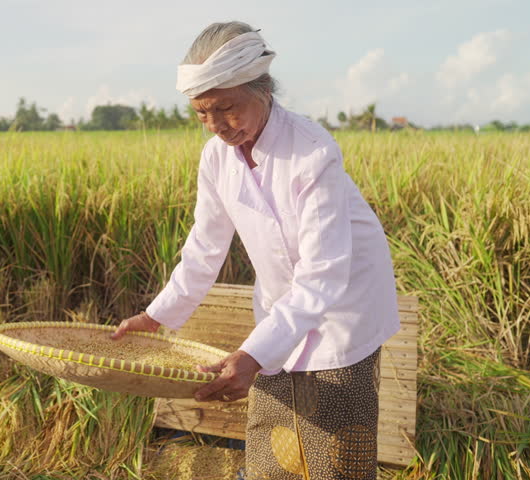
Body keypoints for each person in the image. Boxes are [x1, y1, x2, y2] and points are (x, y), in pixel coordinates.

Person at [111, 21, 400, 480]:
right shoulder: (216, 158)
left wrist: (251, 355)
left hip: (345, 301)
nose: (216, 126)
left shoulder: (312, 151)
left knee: (336, 443)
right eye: (201, 114)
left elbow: (323, 273)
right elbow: (205, 246)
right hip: (282, 301)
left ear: (261, 89)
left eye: (225, 108)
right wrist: (157, 316)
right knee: (273, 438)